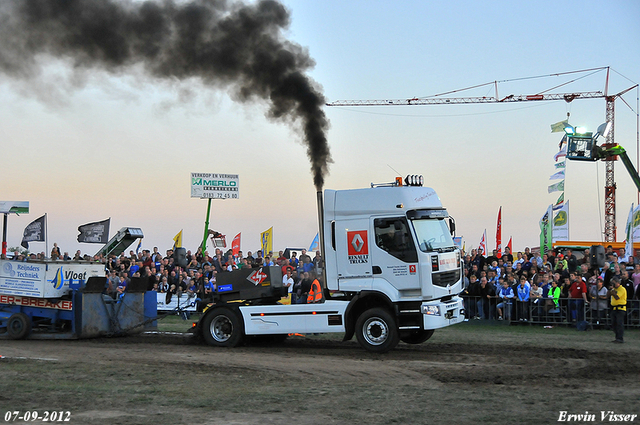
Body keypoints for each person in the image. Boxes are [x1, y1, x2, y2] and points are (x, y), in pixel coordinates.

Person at [609, 276, 627, 343]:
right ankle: (617, 337)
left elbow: (617, 297)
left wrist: (613, 290)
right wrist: (610, 290)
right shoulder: (613, 289)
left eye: (613, 283)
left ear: (617, 283)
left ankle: (620, 338)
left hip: (620, 309)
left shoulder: (622, 289)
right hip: (614, 308)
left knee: (619, 323)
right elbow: (607, 295)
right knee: (613, 323)